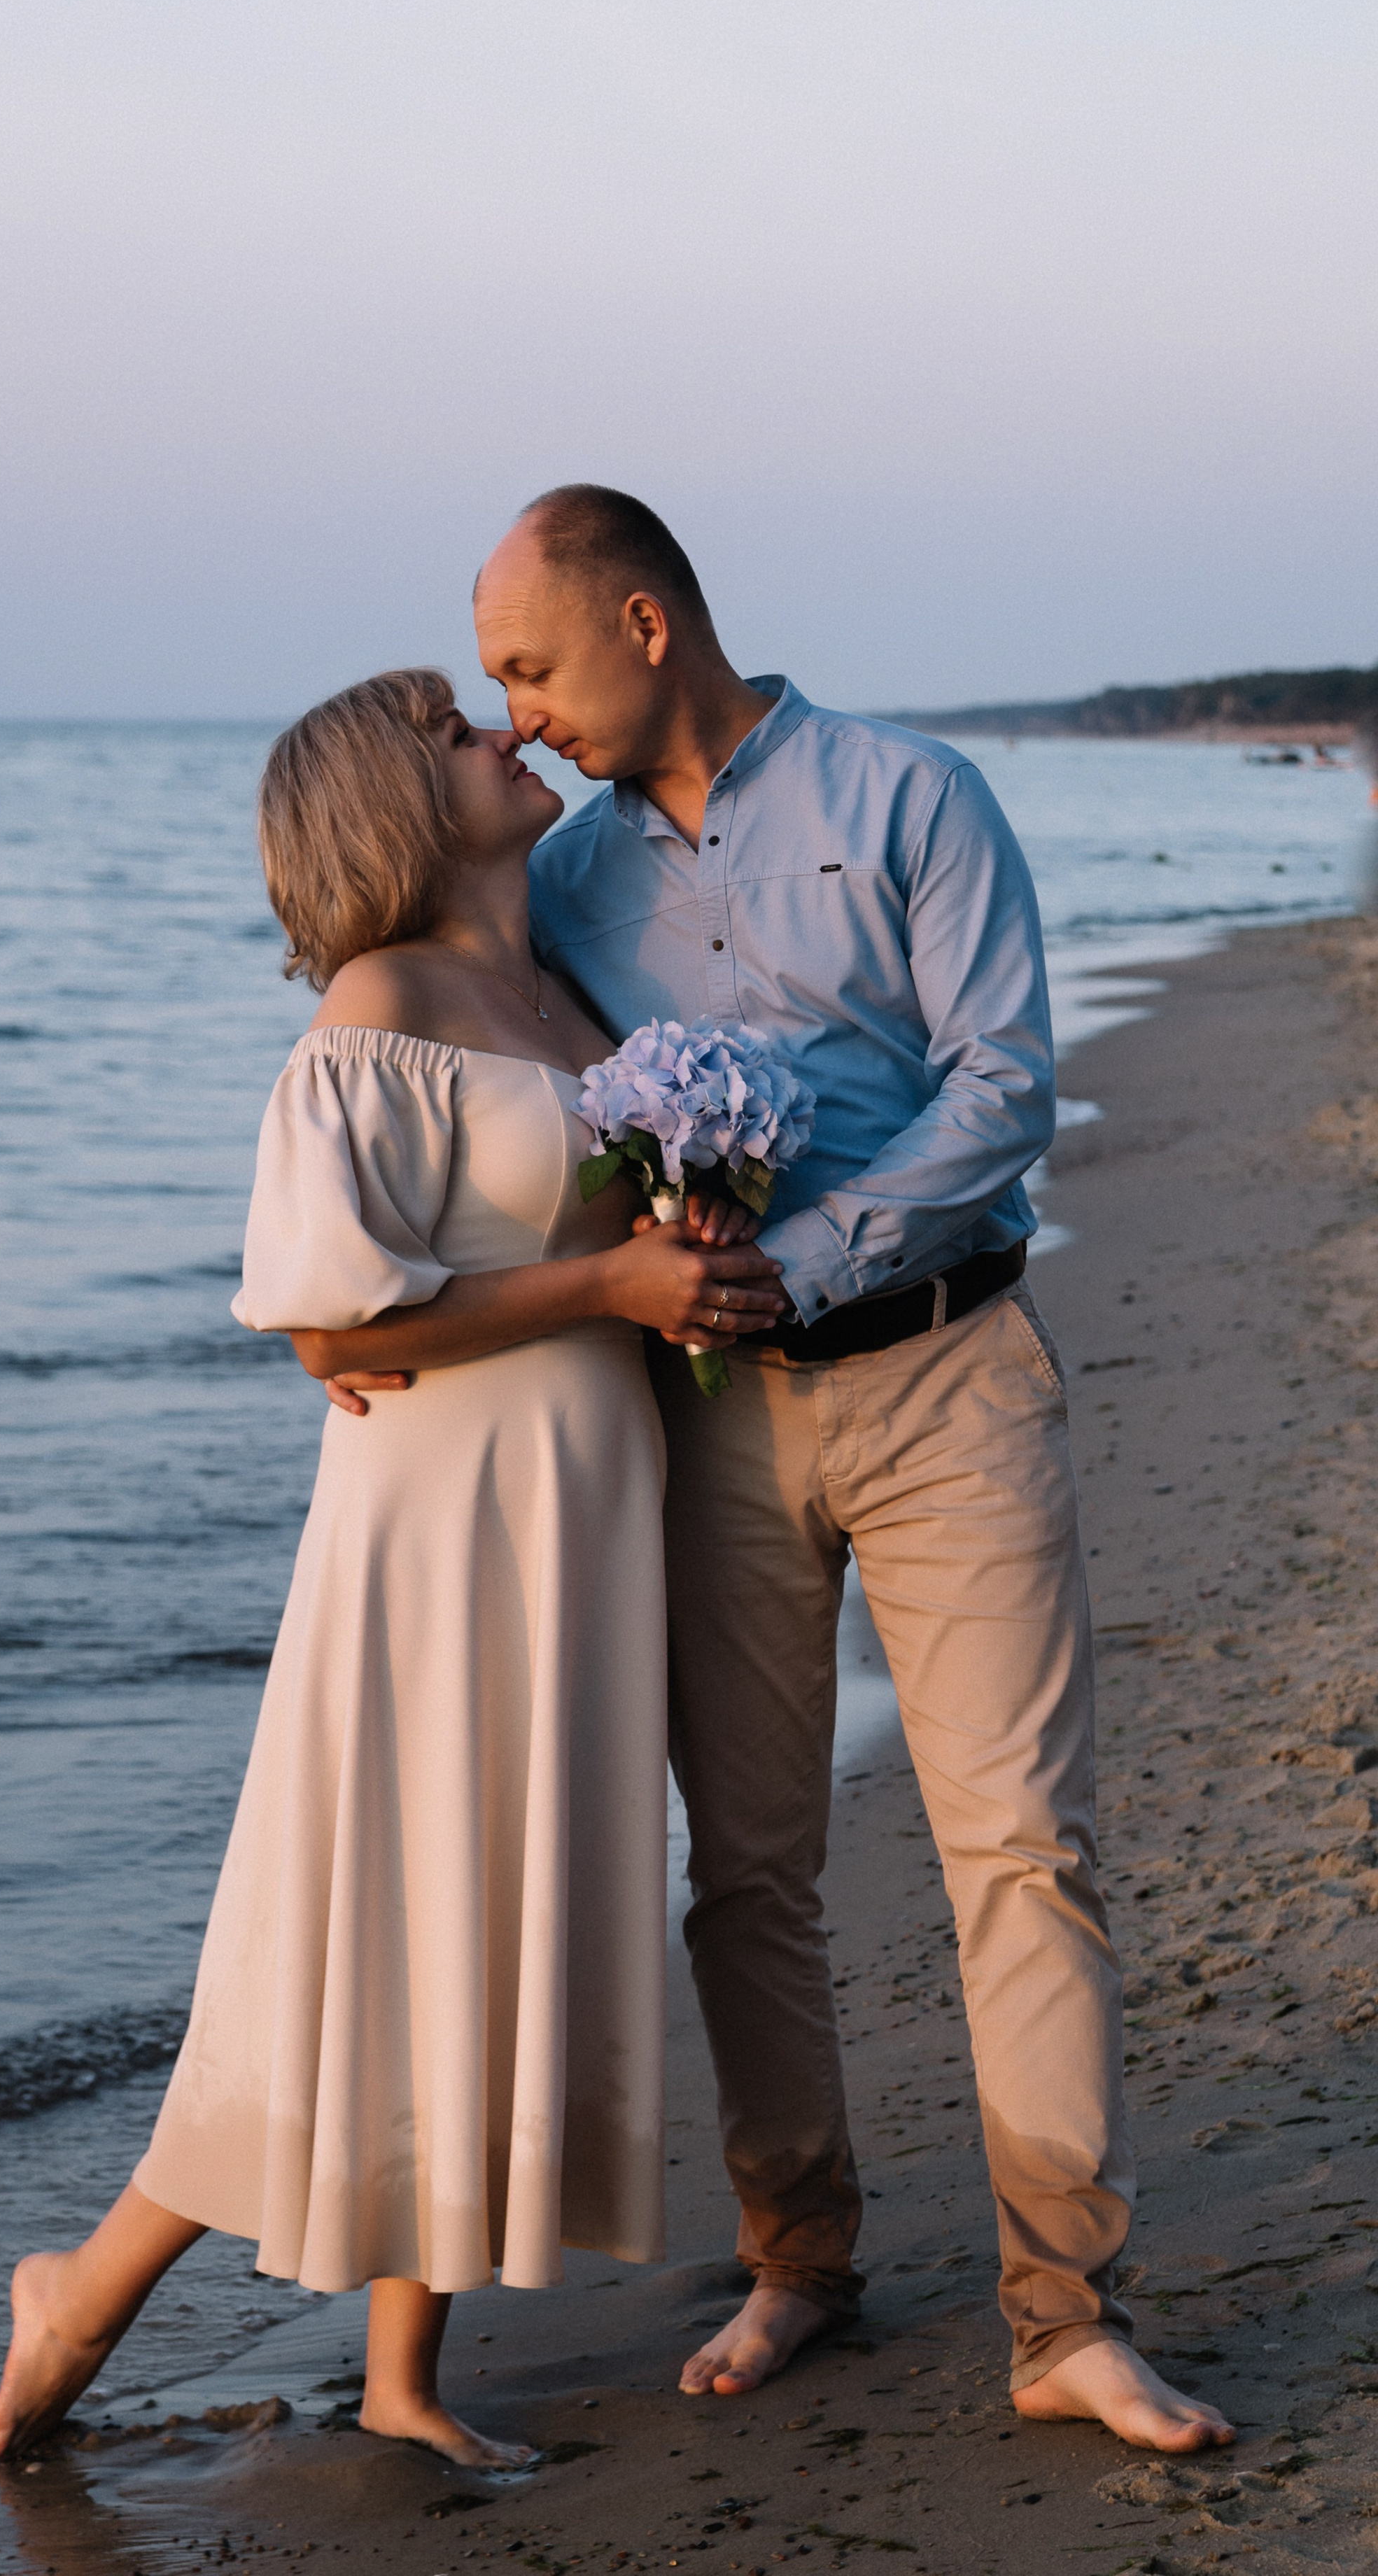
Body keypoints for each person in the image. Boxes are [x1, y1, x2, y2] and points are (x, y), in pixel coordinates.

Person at [330, 488, 1233, 2456]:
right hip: (706, 1427)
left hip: (945, 1378)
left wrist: (804, 1265)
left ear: (645, 626)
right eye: (495, 683)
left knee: (1022, 1852)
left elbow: (1006, 1091)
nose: (520, 713)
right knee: (746, 1871)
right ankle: (801, 2255)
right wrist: (372, 1307)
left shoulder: (912, 799)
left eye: (532, 666)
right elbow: (441, 1055)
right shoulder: (557, 883)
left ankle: (1068, 2311)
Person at [0, 668, 782, 2468]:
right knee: (377, 1913)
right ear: (388, 804)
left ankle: (407, 2376)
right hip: (440, 1523)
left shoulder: (563, 991)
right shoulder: (378, 1002)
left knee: (476, 1909)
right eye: (448, 730)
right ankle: (86, 2288)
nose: (497, 733)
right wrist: (612, 1284)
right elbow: (327, 1314)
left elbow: (601, 1229)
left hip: (584, 1503)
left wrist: (686, 1238)